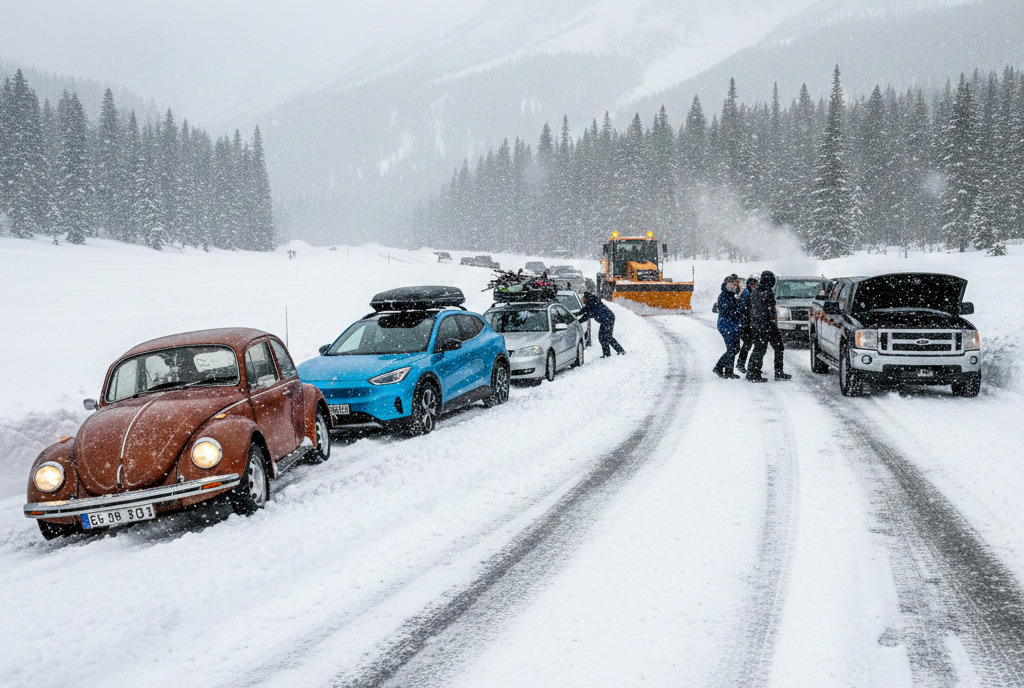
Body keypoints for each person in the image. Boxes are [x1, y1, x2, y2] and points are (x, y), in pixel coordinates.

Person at [746, 270, 791, 382]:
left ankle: (752, 371)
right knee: (777, 348)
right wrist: (772, 325)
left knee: (759, 348)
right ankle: (777, 372)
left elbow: (754, 310)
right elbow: (770, 311)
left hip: (757, 325)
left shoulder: (756, 291)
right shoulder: (767, 293)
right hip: (767, 325)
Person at [579, 291, 625, 357]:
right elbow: (585, 309)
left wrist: (579, 321)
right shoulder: (592, 302)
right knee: (604, 337)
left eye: (584, 299)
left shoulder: (592, 303)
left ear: (587, 298)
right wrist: (578, 313)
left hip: (607, 319)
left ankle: (617, 352)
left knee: (606, 337)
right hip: (606, 319)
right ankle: (609, 353)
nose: (583, 300)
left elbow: (587, 315)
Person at [713, 275, 742, 379]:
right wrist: (737, 312)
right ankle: (720, 367)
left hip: (732, 325)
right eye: (730, 285)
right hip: (726, 325)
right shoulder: (724, 297)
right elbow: (726, 311)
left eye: (734, 285)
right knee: (732, 348)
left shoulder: (731, 296)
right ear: (726, 285)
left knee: (734, 348)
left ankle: (728, 370)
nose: (732, 287)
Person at [735, 275, 758, 374]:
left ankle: (742, 364)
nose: (754, 287)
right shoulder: (747, 295)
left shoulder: (748, 294)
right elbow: (745, 310)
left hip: (747, 324)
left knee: (748, 344)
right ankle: (740, 364)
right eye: (753, 286)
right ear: (749, 286)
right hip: (745, 324)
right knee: (747, 344)